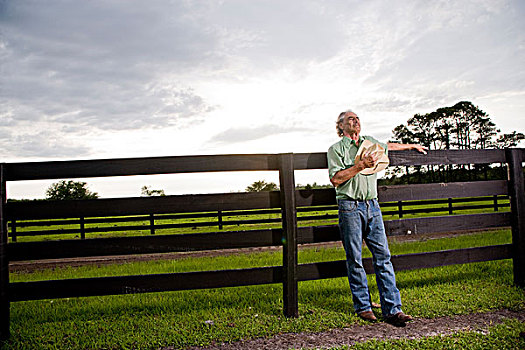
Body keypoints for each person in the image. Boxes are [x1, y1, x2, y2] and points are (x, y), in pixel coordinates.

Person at [327, 110, 428, 327]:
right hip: (349, 206)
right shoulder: (336, 150)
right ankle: (363, 307)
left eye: (357, 118)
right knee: (355, 257)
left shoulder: (369, 142)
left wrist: (411, 146)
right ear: (341, 127)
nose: (355, 121)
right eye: (350, 119)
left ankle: (393, 309)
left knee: (383, 256)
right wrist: (360, 166)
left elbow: (388, 146)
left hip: (373, 205)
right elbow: (336, 179)